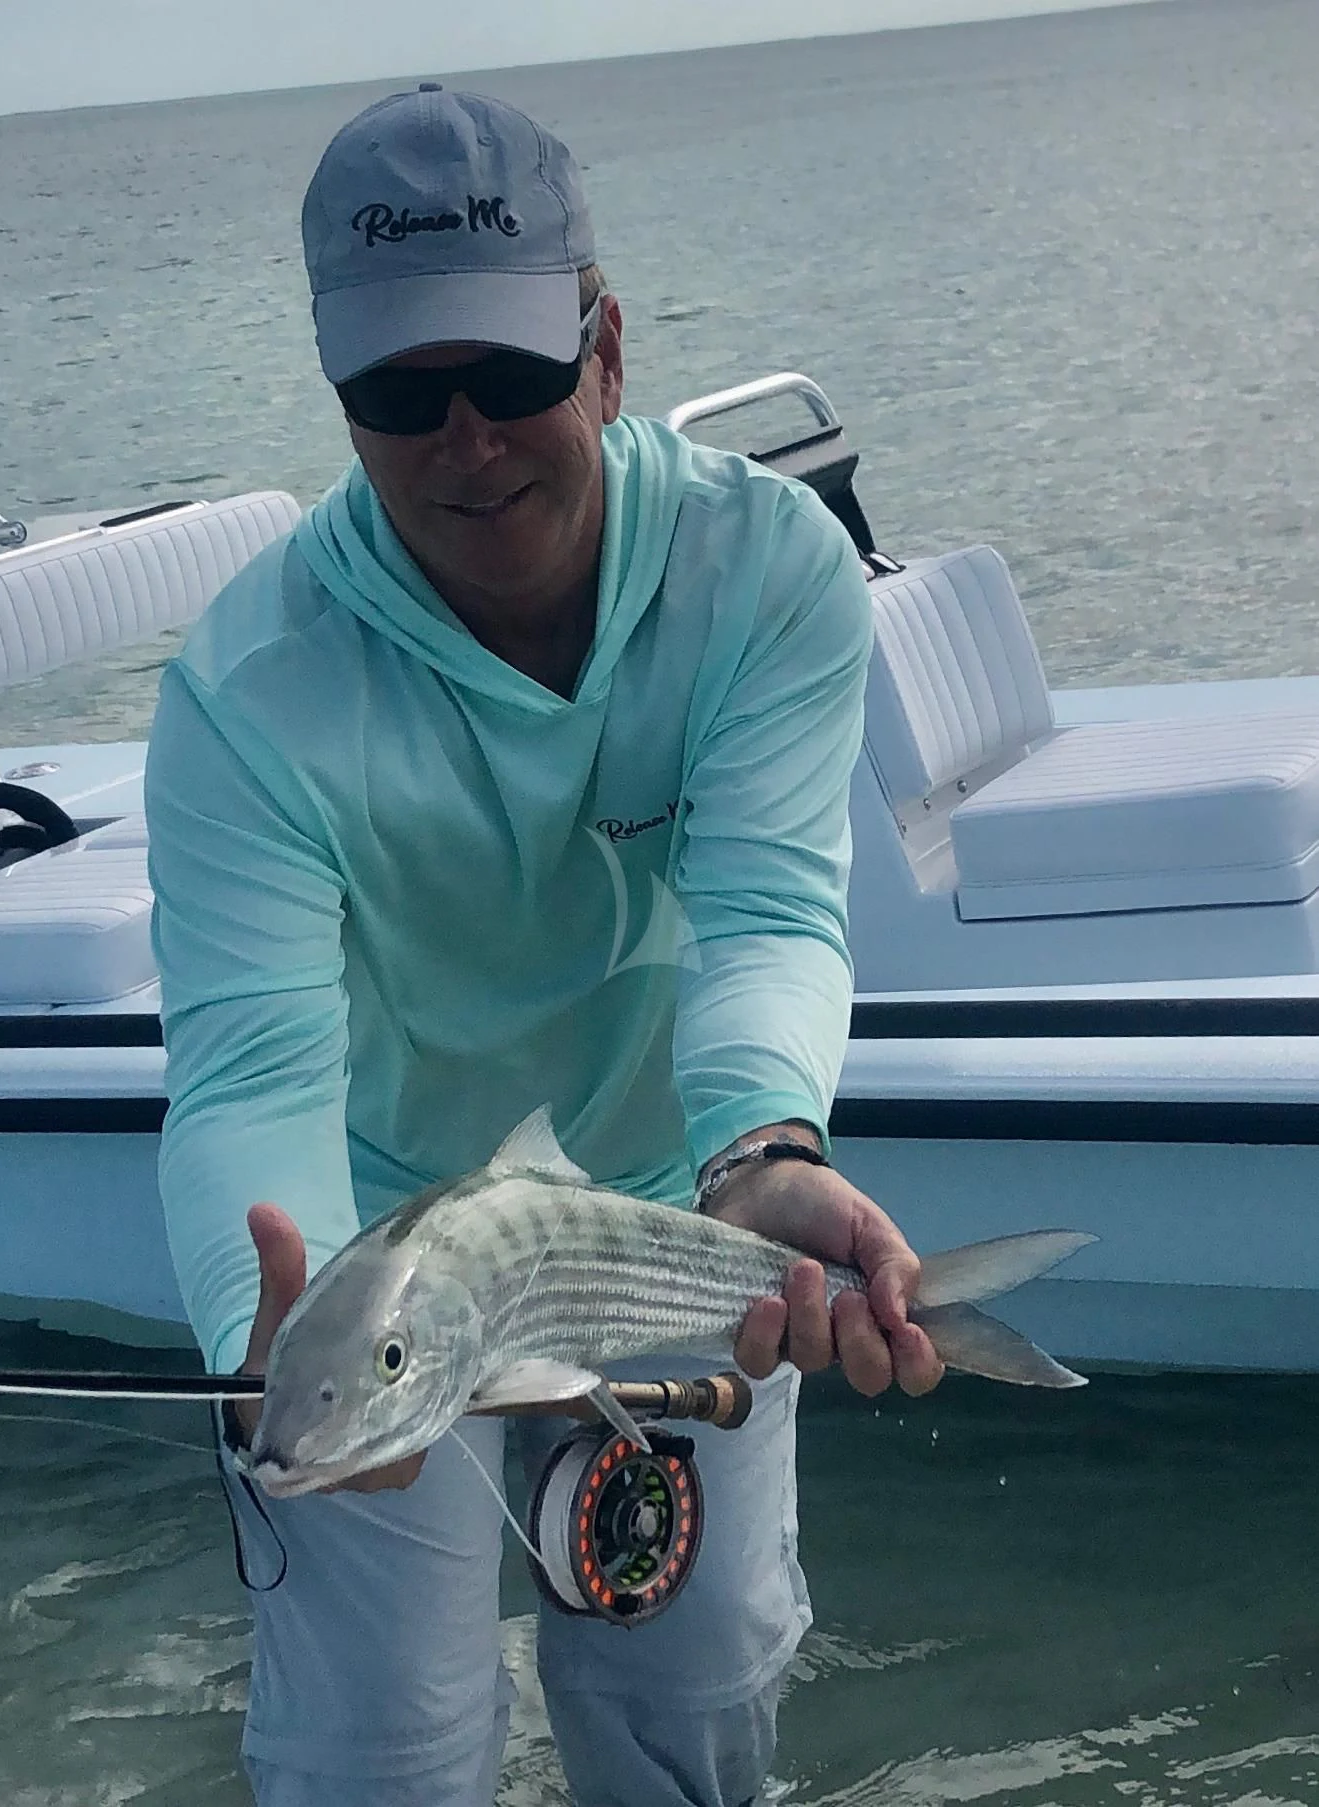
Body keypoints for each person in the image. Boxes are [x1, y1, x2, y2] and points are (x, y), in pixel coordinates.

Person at [145, 84, 943, 1807]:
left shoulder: (768, 572)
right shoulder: (244, 689)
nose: (465, 439)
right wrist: (270, 1344)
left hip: (663, 1219)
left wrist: (761, 1150)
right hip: (361, 1272)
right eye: (395, 393)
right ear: (336, 394)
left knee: (692, 1707)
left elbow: (770, 911)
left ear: (603, 346)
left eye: (508, 376)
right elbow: (249, 1072)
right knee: (380, 1757)